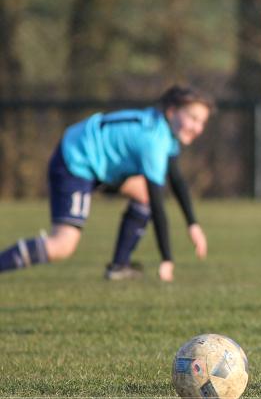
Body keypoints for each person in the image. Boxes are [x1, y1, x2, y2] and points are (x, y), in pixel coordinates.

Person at [0, 86, 213, 282]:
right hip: (76, 160)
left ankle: (119, 266)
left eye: (202, 122)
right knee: (62, 245)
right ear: (172, 112)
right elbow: (158, 205)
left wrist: (192, 224)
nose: (198, 128)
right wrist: (167, 259)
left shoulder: (161, 128)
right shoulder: (153, 141)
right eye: (193, 118)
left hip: (94, 160)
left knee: (143, 196)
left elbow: (176, 179)